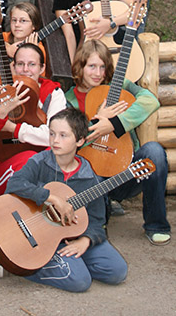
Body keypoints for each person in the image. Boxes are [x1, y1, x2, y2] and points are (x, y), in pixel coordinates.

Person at [0, 107, 128, 290]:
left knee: (116, 271)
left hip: (71, 234)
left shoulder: (89, 178)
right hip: (42, 237)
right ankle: (19, 265)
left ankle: (62, 261)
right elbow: (14, 184)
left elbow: (97, 220)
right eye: (52, 134)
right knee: (80, 281)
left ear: (79, 141)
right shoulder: (39, 161)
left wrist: (85, 241)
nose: (55, 140)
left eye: (63, 135)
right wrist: (50, 197)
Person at [66, 40, 171, 245]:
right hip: (92, 179)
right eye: (92, 66)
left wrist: (115, 123)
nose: (98, 73)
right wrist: (97, 121)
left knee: (155, 152)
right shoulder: (69, 99)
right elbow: (71, 143)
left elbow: (150, 100)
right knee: (97, 221)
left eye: (102, 67)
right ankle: (100, 218)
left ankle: (156, 225)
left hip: (126, 173)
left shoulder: (118, 86)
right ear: (80, 66)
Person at [0, 42, 66, 196]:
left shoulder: (53, 93)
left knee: (42, 159)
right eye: (20, 64)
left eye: (32, 64)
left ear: (42, 68)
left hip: (41, 166)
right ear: (13, 66)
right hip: (1, 170)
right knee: (31, 161)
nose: (25, 70)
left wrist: (14, 129)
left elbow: (56, 137)